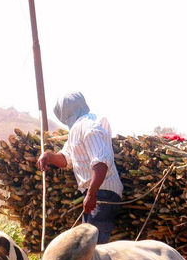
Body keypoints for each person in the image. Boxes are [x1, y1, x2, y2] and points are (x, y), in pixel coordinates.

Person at [37, 91, 123, 243]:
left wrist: (91, 194)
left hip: (103, 192)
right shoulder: (76, 130)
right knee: (88, 244)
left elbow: (101, 163)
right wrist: (49, 156)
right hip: (97, 192)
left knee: (92, 247)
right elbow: (66, 159)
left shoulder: (89, 126)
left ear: (65, 112)